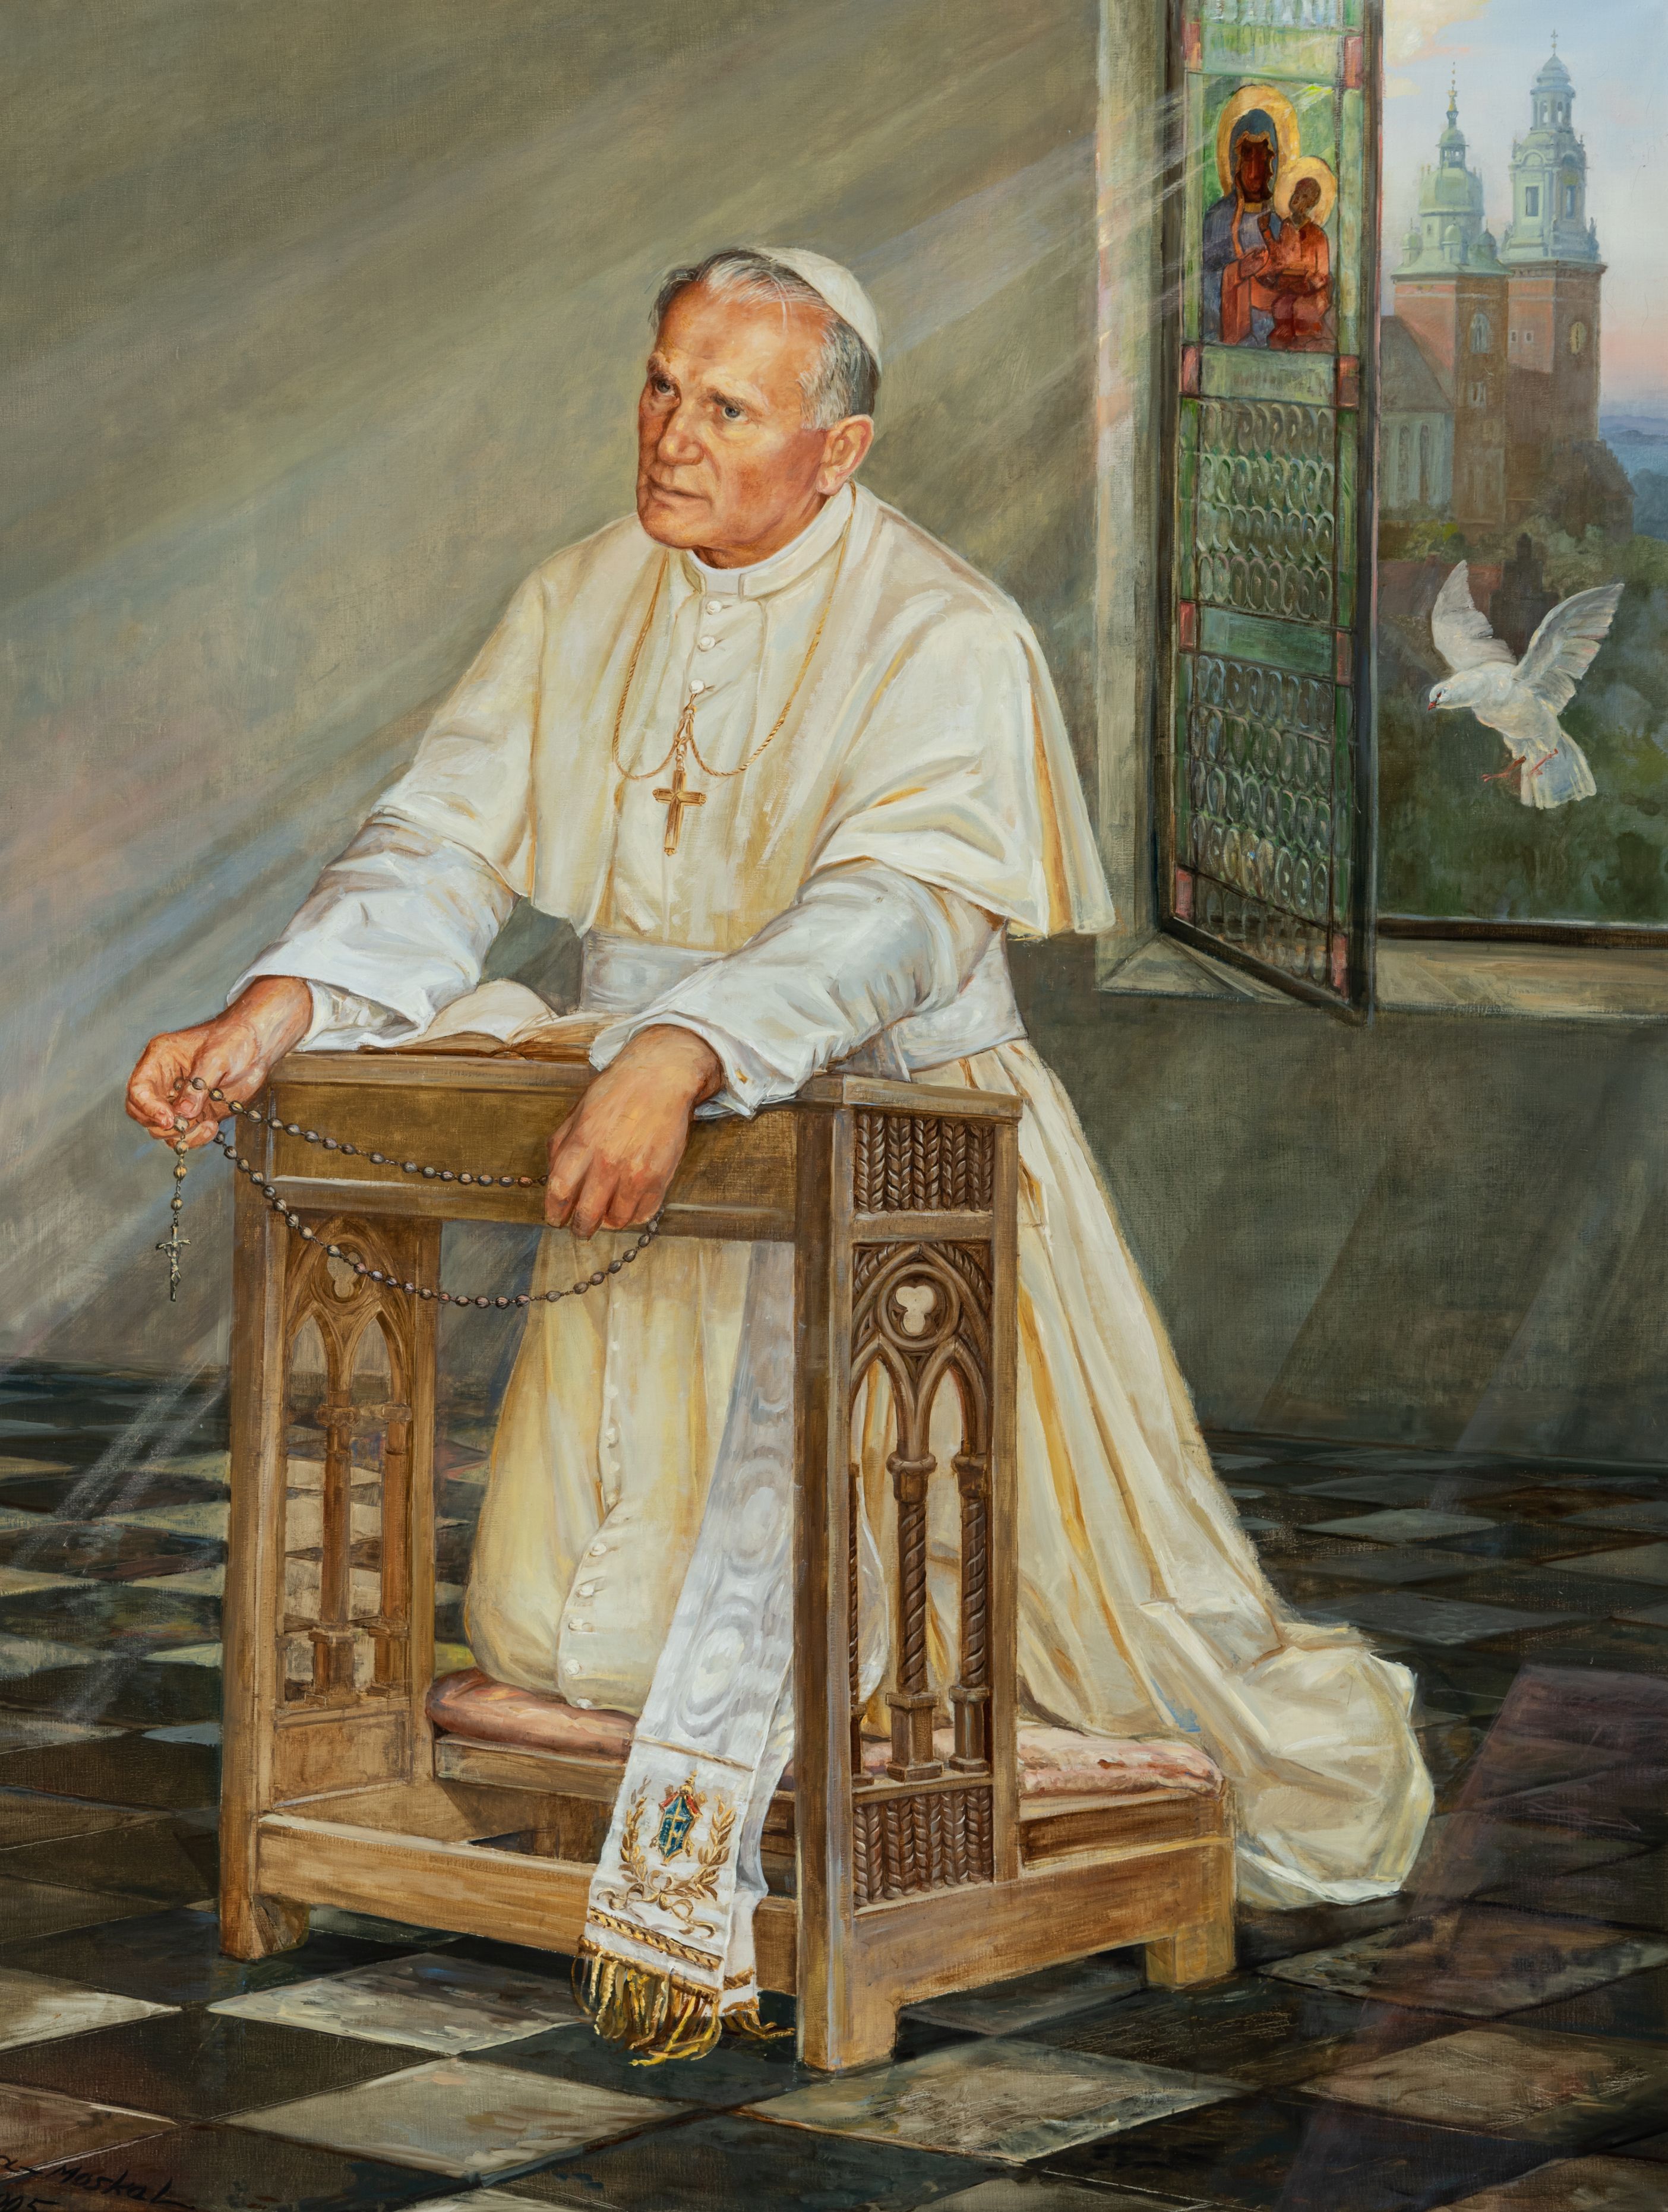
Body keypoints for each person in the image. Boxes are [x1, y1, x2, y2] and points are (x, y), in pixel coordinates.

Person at [127, 245, 1430, 2053]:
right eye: (661, 384)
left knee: (951, 1628)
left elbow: (897, 905)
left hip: (900, 1153)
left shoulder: (944, 628)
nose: (669, 433)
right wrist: (276, 1008)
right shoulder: (582, 591)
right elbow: (444, 840)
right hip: (651, 1141)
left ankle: (944, 1835)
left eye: (726, 407)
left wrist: (690, 1044)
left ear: (837, 450)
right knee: (562, 1625)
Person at [1203, 113, 1282, 346]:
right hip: (1230, 341)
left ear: (1272, 165)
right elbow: (1203, 284)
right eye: (1248, 158)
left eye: (1262, 159)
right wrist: (1238, 272)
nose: (1255, 171)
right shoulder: (1217, 219)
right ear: (1235, 163)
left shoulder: (1276, 224)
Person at [1260, 173, 1332, 352]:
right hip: (1290, 289)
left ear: (1311, 204)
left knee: (1302, 308)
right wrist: (1266, 231)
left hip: (1313, 293)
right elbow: (1279, 259)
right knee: (1281, 306)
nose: (1297, 198)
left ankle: (1305, 343)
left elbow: (1323, 274)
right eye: (1296, 192)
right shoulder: (1286, 227)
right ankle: (1284, 342)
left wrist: (1308, 285)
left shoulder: (1318, 235)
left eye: (1304, 196)